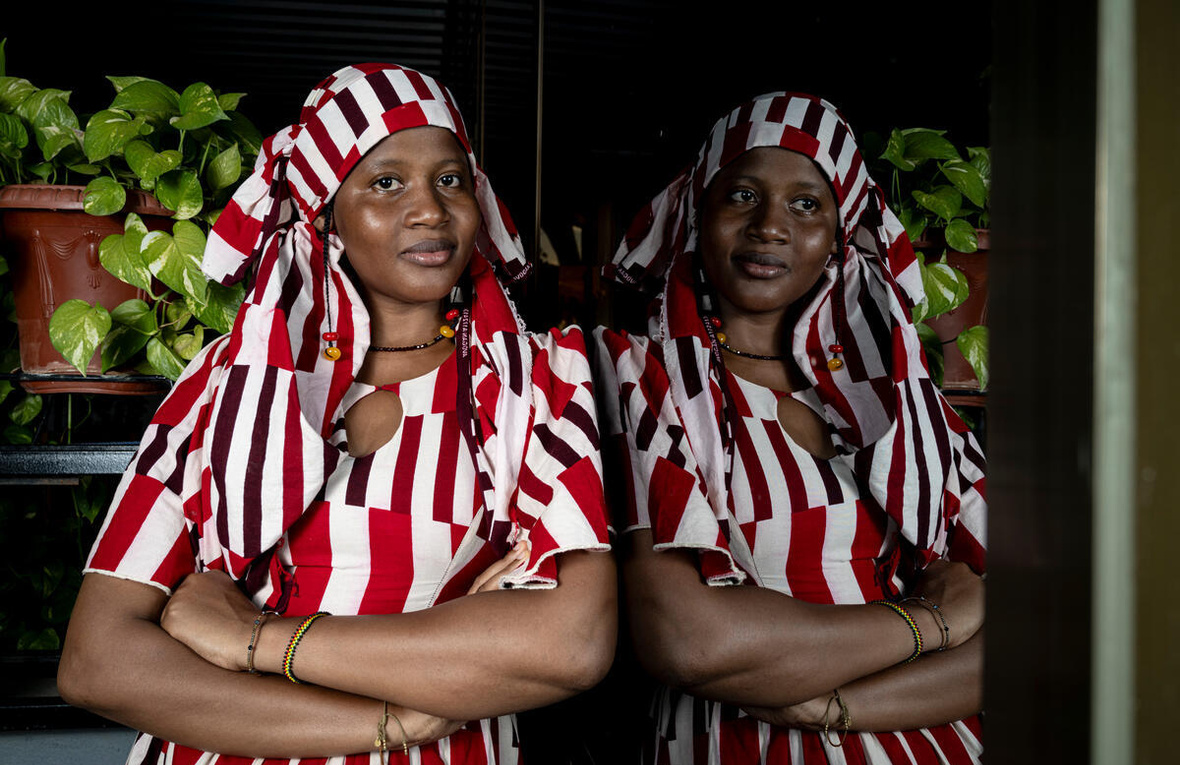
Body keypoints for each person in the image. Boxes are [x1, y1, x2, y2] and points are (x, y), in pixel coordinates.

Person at [57, 63, 615, 765]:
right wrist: (393, 723)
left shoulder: (534, 384)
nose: (430, 209)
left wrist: (251, 638)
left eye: (451, 180)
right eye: (386, 182)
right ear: (326, 210)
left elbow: (571, 644)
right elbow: (99, 660)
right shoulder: (229, 382)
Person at [594, 92, 987, 763]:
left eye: (806, 203)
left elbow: (1036, 631)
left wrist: (840, 707)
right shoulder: (639, 377)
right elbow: (690, 638)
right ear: (698, 210)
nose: (770, 225)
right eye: (742, 196)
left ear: (841, 228)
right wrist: (935, 620)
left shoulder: (904, 396)